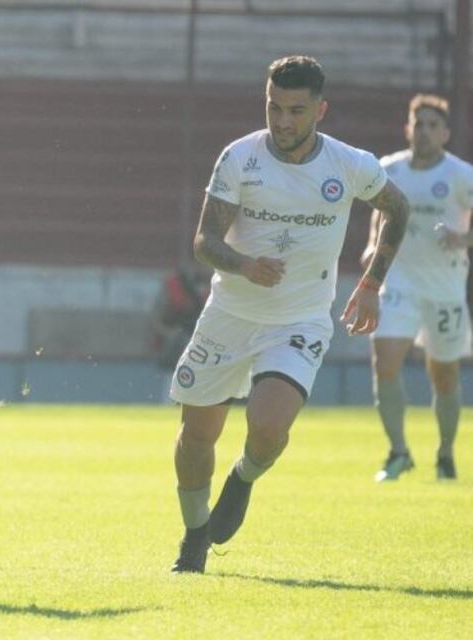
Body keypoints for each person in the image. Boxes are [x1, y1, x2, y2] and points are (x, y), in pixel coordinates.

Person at [168, 55, 410, 574]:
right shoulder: (240, 158)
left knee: (269, 426)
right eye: (274, 107)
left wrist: (371, 283)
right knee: (195, 438)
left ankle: (244, 477)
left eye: (296, 110)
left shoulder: (349, 164)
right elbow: (205, 242)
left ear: (320, 110)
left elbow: (398, 208)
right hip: (230, 314)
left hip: (300, 319)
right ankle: (193, 538)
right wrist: (243, 264)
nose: (282, 121)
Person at [363, 94, 473, 482]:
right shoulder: (389, 169)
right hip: (399, 283)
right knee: (385, 363)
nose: (424, 131)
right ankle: (398, 452)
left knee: (443, 376)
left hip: (444, 289)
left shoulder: (461, 174)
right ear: (408, 129)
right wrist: (371, 247)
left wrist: (464, 238)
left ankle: (445, 452)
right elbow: (382, 213)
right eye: (418, 123)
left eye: (432, 125)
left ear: (444, 133)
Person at [148, 261, 211, 368]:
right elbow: (154, 321)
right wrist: (170, 334)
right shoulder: (174, 286)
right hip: (171, 347)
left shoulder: (215, 288)